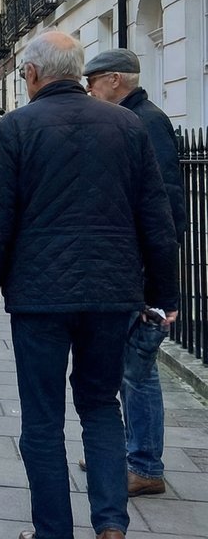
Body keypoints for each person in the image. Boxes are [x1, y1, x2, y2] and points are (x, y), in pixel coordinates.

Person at [0, 31, 179, 539]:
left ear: (32, 74)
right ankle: (111, 527)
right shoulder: (127, 125)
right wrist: (163, 296)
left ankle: (53, 532)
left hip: (39, 298)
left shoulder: (16, 128)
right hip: (112, 294)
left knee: (42, 421)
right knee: (101, 407)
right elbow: (156, 218)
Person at [85, 48, 184, 497]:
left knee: (137, 370)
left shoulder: (147, 122)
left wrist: (155, 277)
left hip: (141, 270)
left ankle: (144, 465)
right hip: (128, 267)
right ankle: (127, 453)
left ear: (114, 80)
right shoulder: (128, 120)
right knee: (125, 368)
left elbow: (166, 205)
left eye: (92, 83)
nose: (89, 91)